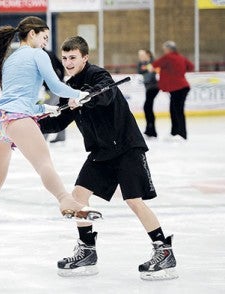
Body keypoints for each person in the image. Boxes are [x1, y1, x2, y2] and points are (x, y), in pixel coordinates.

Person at [0, 17, 102, 265]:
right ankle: (65, 200)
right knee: (44, 163)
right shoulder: (37, 55)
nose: (45, 43)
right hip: (17, 119)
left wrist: (46, 108)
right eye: (44, 38)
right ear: (32, 34)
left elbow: (18, 97)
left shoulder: (12, 58)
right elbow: (56, 85)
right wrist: (80, 94)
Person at [39, 36, 177, 280]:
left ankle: (163, 250)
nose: (68, 62)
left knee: (134, 200)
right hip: (101, 152)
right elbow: (59, 121)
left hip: (125, 147)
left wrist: (86, 96)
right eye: (65, 58)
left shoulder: (97, 75)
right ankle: (87, 251)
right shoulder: (67, 87)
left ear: (85, 57)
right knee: (78, 196)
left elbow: (106, 95)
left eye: (73, 57)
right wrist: (29, 126)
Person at [151, 41, 194, 141]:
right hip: (181, 86)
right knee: (174, 109)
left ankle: (181, 134)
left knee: (177, 111)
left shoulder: (168, 57)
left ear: (169, 49)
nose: (164, 51)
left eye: (165, 49)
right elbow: (191, 66)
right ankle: (175, 132)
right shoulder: (181, 57)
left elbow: (155, 64)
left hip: (177, 87)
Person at [43, 49, 67, 143]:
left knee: (47, 111)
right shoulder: (49, 53)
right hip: (57, 86)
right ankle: (61, 136)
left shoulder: (42, 55)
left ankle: (43, 137)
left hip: (54, 88)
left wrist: (59, 80)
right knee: (59, 110)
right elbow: (60, 65)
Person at [137, 49, 159, 138]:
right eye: (139, 55)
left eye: (142, 55)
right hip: (148, 87)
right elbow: (140, 71)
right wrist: (147, 67)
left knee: (147, 107)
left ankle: (151, 130)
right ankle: (150, 130)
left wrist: (150, 68)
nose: (140, 57)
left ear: (148, 54)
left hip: (154, 87)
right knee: (148, 108)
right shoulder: (141, 63)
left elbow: (156, 71)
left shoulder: (153, 62)